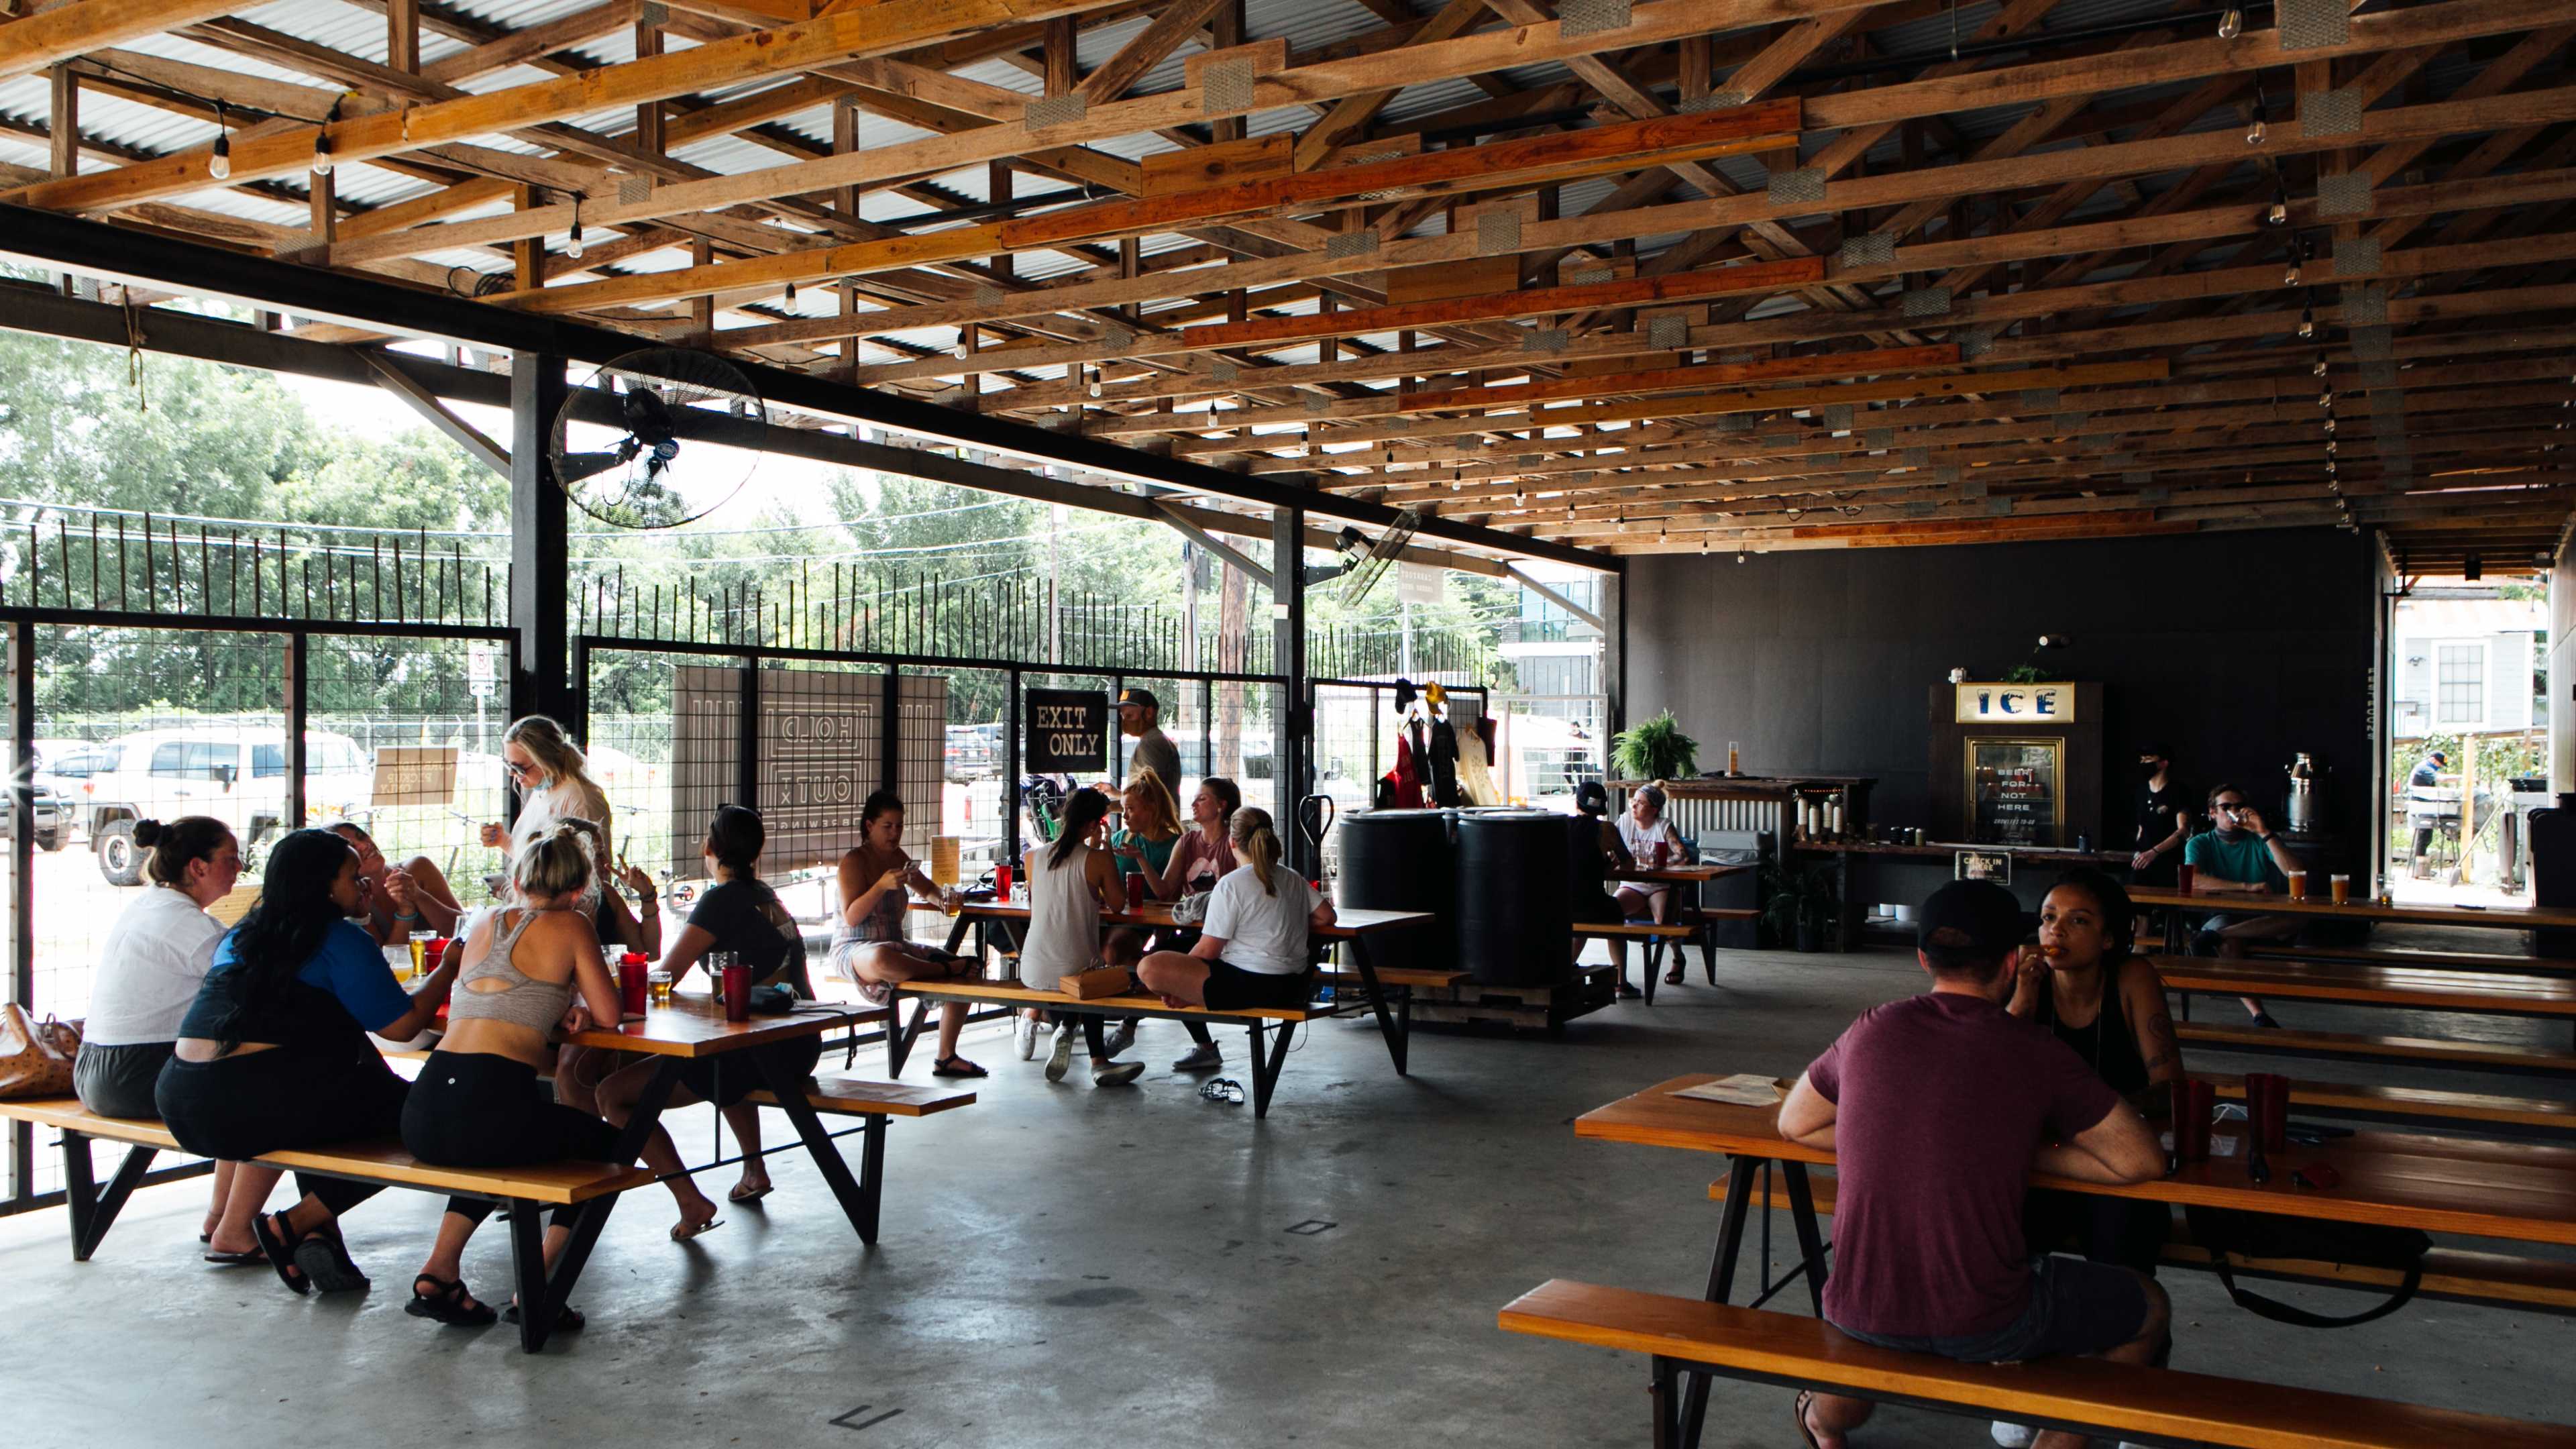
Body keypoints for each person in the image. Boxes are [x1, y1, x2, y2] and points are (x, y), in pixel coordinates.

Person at [1777, 879, 2169, 1449]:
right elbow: (2142, 1161)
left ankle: (1825, 1420)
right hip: (1989, 1320)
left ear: (1922, 959)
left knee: (1874, 1333)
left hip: (1857, 1304)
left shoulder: (1871, 1029)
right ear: (2014, 963)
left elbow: (1795, 1122)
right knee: (2149, 1307)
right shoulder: (2032, 1050)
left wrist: (1910, 1132)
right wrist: (2001, 1141)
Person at [155, 828, 462, 1296]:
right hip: (250, 1105)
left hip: (180, 1100)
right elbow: (401, 1028)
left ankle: (308, 1231)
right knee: (430, 1123)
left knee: (338, 1101)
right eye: (354, 878)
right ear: (322, 887)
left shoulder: (243, 935)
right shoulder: (339, 938)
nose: (365, 887)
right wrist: (447, 970)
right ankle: (295, 1225)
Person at [398, 824, 626, 1328]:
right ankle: (539, 1288)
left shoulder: (484, 920)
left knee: (493, 1146)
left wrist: (562, 1000)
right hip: (490, 1107)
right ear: (576, 890)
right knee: (611, 1153)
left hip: (426, 1108)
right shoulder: (572, 925)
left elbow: (500, 997)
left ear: (518, 881)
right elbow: (612, 1015)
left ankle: (439, 1272)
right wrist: (578, 1004)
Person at [598, 805, 817, 1233]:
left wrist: (602, 981)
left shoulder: (722, 900)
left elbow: (666, 974)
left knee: (612, 1096)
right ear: (757, 851)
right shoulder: (764, 895)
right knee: (726, 1056)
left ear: (709, 848)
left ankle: (690, 1201)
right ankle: (753, 1170)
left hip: (763, 1049)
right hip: (798, 1043)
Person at [73, 816, 282, 1265]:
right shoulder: (186, 925)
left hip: (94, 1068)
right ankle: (236, 1228)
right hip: (129, 1074)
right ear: (198, 867)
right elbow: (256, 986)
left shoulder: (154, 906)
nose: (240, 867)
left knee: (240, 1079)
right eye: (229, 859)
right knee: (272, 1093)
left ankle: (221, 1217)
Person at [2006, 871, 2180, 1277]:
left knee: (2123, 1248)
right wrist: (2023, 1001)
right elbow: (1989, 1078)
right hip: (2044, 1161)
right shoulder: (2025, 979)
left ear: (2109, 939)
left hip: (2118, 1157)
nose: (2057, 931)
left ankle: (2136, 1333)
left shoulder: (2132, 977)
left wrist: (2088, 1121)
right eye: (2048, 918)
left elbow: (2171, 1087)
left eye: (2078, 920)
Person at [826, 790, 987, 1081]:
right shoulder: (854, 861)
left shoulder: (898, 856)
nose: (895, 833)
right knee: (882, 958)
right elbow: (851, 917)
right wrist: (880, 886)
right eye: (887, 826)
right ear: (869, 826)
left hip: (896, 946)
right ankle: (943, 969)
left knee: (971, 971)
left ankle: (946, 1056)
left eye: (899, 826)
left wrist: (944, 898)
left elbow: (926, 887)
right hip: (855, 947)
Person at [1138, 808, 1334, 1014]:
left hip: (1245, 986)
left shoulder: (1231, 883)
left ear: (1231, 841)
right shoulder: (1292, 876)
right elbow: (1328, 916)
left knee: (1148, 967)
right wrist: (1294, 921)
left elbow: (1207, 951)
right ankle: (1193, 999)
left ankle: (1192, 998)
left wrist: (1181, 984)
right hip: (1293, 986)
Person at [1018, 786, 1146, 1088]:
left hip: (1032, 969)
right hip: (1075, 973)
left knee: (1079, 970)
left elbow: (1041, 902)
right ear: (1093, 825)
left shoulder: (1033, 857)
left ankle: (1065, 1027)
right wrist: (1101, 849)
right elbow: (1117, 903)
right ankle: (1098, 1061)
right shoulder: (1096, 859)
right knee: (1094, 973)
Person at [2182, 783, 2302, 1026]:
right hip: (2220, 912)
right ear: (2212, 812)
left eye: (2239, 806)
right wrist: (2245, 887)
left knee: (2298, 917)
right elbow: (2193, 880)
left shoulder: (2257, 840)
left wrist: (2263, 832)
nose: (2233, 811)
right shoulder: (2200, 843)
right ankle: (2258, 1013)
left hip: (2259, 915)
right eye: (2226, 806)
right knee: (2230, 942)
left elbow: (2296, 873)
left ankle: (2212, 936)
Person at [1140, 776, 1240, 1071]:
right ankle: (1204, 1047)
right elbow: (1165, 892)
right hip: (1195, 931)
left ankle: (1129, 1028)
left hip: (1224, 938)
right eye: (1195, 798)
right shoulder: (1187, 841)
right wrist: (1141, 860)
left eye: (1203, 799)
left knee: (1170, 966)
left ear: (1222, 807)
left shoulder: (1233, 845)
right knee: (1160, 962)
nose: (1194, 804)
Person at [1096, 767, 1185, 1059]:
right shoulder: (1122, 838)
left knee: (1112, 949)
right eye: (1123, 809)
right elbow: (1105, 883)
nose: (1126, 816)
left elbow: (1166, 896)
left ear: (1151, 809)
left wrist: (1141, 859)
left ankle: (1126, 1014)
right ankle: (1058, 1018)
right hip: (1117, 914)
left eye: (1132, 809)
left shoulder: (1173, 843)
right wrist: (1101, 849)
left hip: (1148, 921)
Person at [479, 714, 614, 877]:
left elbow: (592, 874)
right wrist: (503, 841)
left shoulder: (580, 799)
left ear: (545, 760)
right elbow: (537, 859)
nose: (512, 773)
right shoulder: (543, 788)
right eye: (508, 764)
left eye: (520, 768)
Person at [325, 820, 466, 943]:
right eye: (353, 847)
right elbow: (385, 961)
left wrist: (419, 896)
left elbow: (464, 932)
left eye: (362, 836)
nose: (365, 845)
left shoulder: (418, 868)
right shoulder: (354, 899)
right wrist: (406, 912)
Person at [1566, 782, 1642, 998]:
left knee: (1582, 915)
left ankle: (1565, 968)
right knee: (1614, 912)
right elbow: (1629, 865)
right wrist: (1614, 863)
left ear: (1576, 803)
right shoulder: (1605, 829)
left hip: (1560, 906)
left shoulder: (1562, 825)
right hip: (1590, 905)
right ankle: (1621, 983)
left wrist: (1604, 867)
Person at [1614, 784, 1688, 987]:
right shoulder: (1624, 822)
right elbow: (1611, 850)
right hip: (1632, 885)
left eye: (1640, 803)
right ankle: (1621, 978)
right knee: (1612, 912)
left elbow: (1682, 855)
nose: (1634, 806)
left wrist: (1662, 864)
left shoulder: (1663, 826)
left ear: (1654, 809)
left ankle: (1677, 957)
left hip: (1659, 885)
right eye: (1634, 801)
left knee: (1663, 919)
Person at [2127, 747, 2191, 888]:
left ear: (2163, 763)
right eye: (2142, 760)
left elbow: (2183, 830)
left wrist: (2155, 851)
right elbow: (2140, 826)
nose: (2144, 763)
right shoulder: (2141, 791)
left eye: (2148, 759)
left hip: (2168, 861)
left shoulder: (2179, 791)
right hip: (2142, 860)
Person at [1116, 686, 1183, 799]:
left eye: (1129, 716)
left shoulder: (1149, 744)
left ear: (1149, 712)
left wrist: (1108, 806)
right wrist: (1116, 794)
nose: (1124, 722)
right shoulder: (1161, 740)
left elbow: (1151, 796)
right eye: (1123, 716)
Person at [2407, 749, 2450, 873]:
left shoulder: (2425, 767)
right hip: (2420, 807)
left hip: (2423, 806)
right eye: (2439, 764)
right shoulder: (2424, 768)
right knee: (2424, 835)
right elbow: (2442, 779)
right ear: (2433, 760)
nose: (2440, 767)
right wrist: (2463, 777)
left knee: (2426, 836)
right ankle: (2419, 867)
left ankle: (2420, 866)